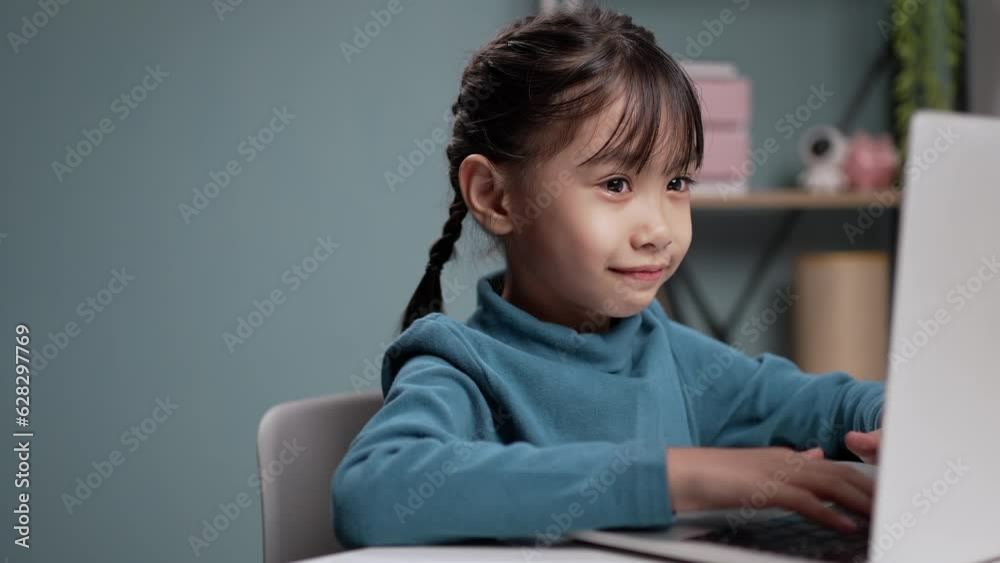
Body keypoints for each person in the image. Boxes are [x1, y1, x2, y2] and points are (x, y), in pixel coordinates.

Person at [332, 2, 883, 550]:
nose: (659, 231)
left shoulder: (666, 350)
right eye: (616, 184)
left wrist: (890, 422)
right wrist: (679, 477)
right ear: (494, 196)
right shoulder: (460, 366)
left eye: (677, 183)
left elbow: (831, 405)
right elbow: (373, 493)